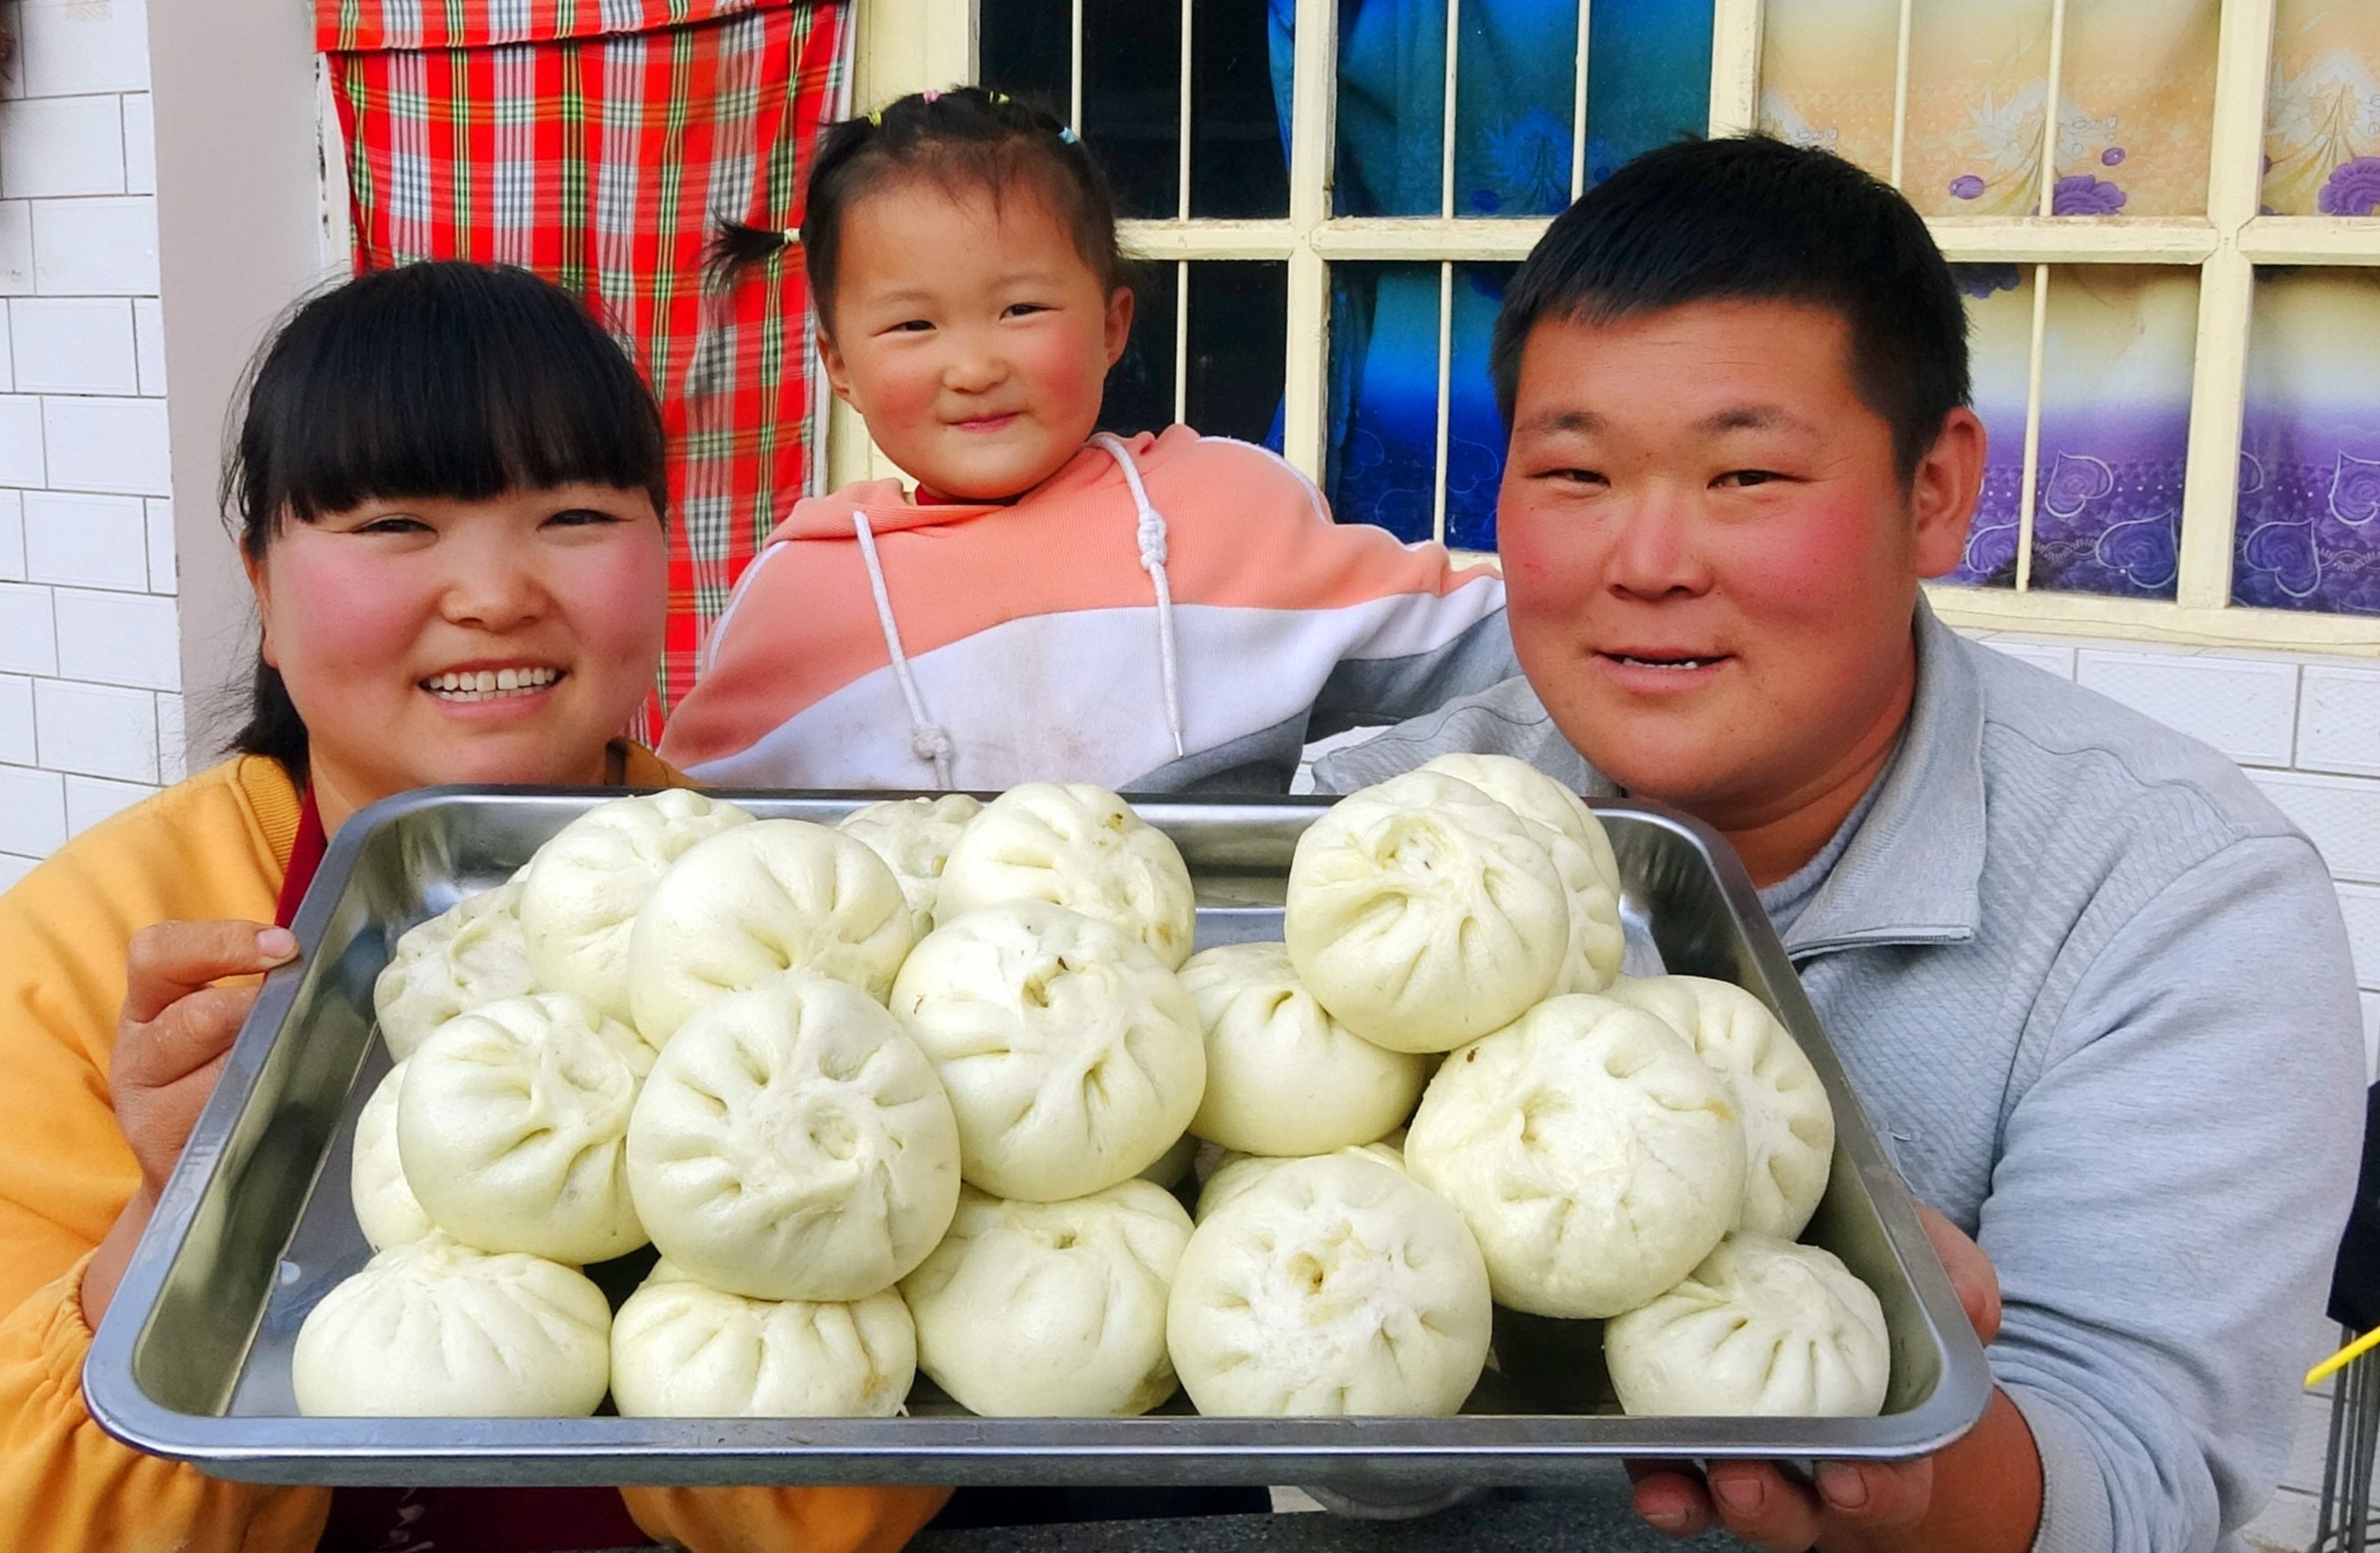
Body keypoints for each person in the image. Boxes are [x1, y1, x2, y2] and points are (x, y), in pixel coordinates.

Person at [1318, 135, 2365, 1552]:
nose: (1647, 559)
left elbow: (2135, 1479)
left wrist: (1897, 1416)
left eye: (1745, 477)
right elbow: (1341, 1454)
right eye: (1575, 475)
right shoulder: (1385, 838)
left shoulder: (2176, 902)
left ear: (1934, 490)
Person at [0, 261, 946, 1553]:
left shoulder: (804, 940)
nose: (496, 591)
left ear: (666, 553)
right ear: (263, 589)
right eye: (396, 523)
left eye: (572, 513)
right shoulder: (87, 951)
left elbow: (826, 1512)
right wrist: (195, 1228)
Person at [655, 86, 1514, 793]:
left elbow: (1519, 653)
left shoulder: (1228, 514)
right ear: (838, 365)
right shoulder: (807, 590)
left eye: (1020, 309)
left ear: (1112, 325)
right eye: (913, 324)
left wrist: (1353, 800)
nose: (973, 366)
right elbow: (683, 830)